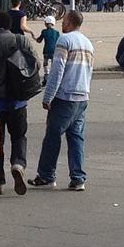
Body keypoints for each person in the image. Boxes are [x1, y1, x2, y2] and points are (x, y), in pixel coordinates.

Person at [29, 11, 93, 191]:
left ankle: (47, 175)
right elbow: (89, 72)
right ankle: (78, 178)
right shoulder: (88, 43)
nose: (61, 24)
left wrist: (48, 96)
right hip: (82, 96)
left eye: (63, 21)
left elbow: (57, 71)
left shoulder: (64, 41)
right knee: (76, 138)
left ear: (70, 22)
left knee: (52, 136)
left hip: (65, 96)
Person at [0, 11, 38, 198]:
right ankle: (18, 164)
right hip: (18, 100)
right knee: (19, 135)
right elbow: (35, 63)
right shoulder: (21, 41)